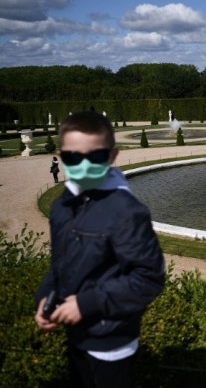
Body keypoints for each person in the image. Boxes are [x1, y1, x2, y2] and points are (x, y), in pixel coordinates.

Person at [35, 111, 165, 388]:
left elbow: (148, 278)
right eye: (72, 157)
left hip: (111, 339)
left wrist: (85, 304)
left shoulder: (127, 212)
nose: (83, 165)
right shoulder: (61, 206)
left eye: (94, 157)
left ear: (112, 156)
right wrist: (46, 299)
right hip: (75, 330)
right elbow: (60, 263)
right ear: (61, 156)